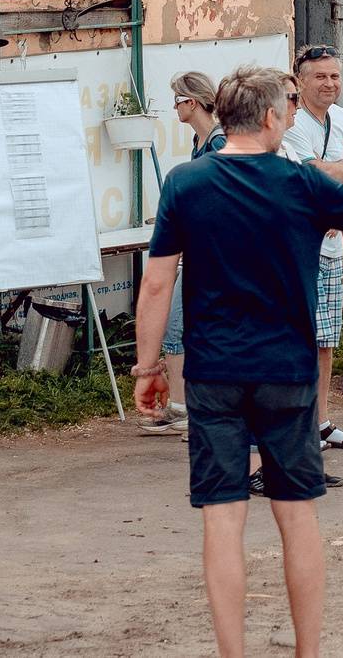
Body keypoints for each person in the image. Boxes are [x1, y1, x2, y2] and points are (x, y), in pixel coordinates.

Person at [132, 65, 343, 658]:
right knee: (296, 514)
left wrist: (148, 368)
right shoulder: (301, 182)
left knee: (222, 518)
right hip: (287, 371)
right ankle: (307, 653)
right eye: (284, 110)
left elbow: (157, 286)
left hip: (213, 373)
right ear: (268, 119)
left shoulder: (185, 182)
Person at [280, 44, 343, 454]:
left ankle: (322, 422)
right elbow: (306, 175)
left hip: (333, 246)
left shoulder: (342, 117)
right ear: (300, 80)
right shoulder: (293, 122)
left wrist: (332, 175)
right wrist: (337, 175)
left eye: (334, 76)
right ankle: (293, 429)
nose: (329, 83)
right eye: (319, 76)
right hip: (299, 247)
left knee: (326, 338)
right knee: (296, 337)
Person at [146, 70, 226, 438]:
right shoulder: (203, 141)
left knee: (179, 327)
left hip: (212, 258)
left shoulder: (218, 143)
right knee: (179, 328)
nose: (175, 107)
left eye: (177, 100)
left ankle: (189, 410)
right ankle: (185, 408)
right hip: (202, 254)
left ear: (191, 102)